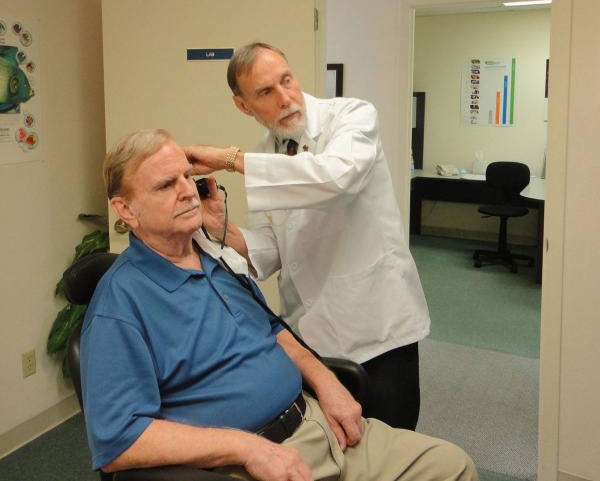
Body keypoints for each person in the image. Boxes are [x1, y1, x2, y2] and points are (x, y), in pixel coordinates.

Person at [80, 129, 477, 481]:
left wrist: (326, 382)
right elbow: (119, 440)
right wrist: (247, 449)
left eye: (188, 175)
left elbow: (272, 332)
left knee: (452, 466)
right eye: (166, 185)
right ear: (125, 210)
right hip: (250, 462)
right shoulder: (120, 305)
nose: (186, 190)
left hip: (317, 424)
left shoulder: (216, 258)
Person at [184, 42, 430, 430]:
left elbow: (335, 177)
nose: (285, 98)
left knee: (389, 448)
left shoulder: (351, 116)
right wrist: (222, 229)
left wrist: (228, 159)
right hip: (311, 334)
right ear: (244, 106)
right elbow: (271, 249)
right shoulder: (267, 153)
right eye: (266, 92)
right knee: (336, 448)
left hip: (376, 327)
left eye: (287, 80)